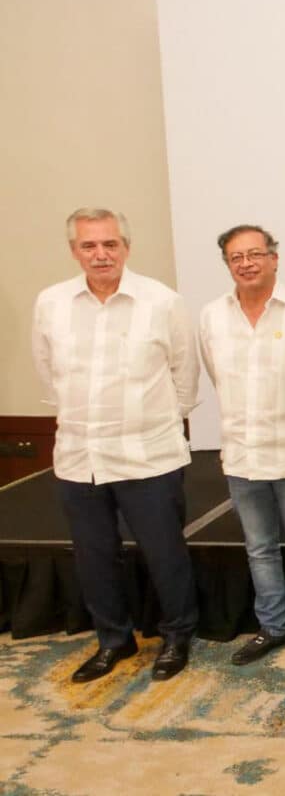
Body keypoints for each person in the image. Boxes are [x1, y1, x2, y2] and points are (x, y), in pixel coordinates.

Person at [32, 207, 200, 682]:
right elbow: (48, 372)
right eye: (89, 245)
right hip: (79, 456)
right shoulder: (51, 303)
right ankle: (113, 640)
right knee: (93, 555)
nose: (101, 254)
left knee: (165, 552)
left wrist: (158, 420)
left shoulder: (161, 301)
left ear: (127, 247)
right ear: (74, 251)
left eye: (110, 244)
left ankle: (177, 635)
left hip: (149, 453)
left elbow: (184, 377)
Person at [199, 225, 285, 667]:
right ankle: (272, 626)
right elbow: (216, 376)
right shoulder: (212, 316)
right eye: (236, 257)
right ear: (227, 265)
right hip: (241, 453)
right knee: (258, 548)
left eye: (256, 254)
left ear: (275, 258)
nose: (247, 263)